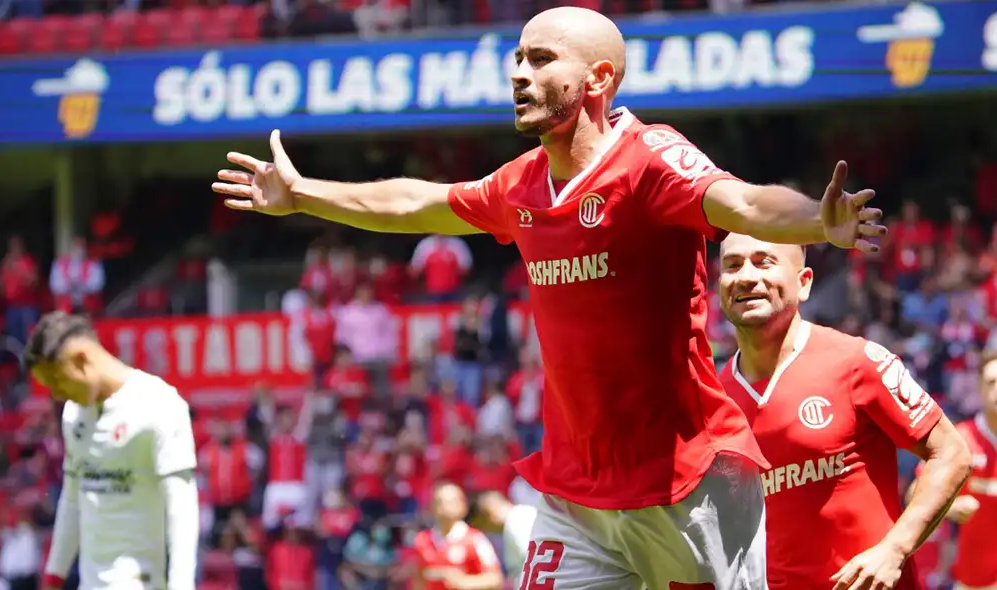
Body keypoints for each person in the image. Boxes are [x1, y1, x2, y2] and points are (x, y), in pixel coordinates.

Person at [211, 6, 887, 587]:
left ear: (598, 78)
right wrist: (302, 194)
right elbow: (417, 202)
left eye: (540, 59)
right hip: (576, 492)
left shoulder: (650, 160)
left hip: (687, 485)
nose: (519, 74)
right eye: (516, 59)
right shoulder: (521, 183)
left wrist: (816, 222)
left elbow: (739, 199)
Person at [715, 233, 972, 590]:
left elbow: (952, 453)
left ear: (804, 283)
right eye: (732, 264)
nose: (745, 276)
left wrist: (894, 550)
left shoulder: (857, 361)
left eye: (764, 262)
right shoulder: (714, 398)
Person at [23, 311, 199, 590]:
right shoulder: (74, 414)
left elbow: (182, 510)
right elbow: (72, 497)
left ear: (81, 359)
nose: (57, 394)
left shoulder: (160, 405)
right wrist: (54, 576)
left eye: (58, 381)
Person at [909, 350, 997, 590]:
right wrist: (950, 506)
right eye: (991, 382)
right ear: (979, 387)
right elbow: (914, 492)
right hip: (973, 581)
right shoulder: (961, 439)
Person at [411, 482, 503, 590]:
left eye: (450, 502)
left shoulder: (475, 539)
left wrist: (464, 582)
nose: (444, 506)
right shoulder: (422, 540)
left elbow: (495, 579)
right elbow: (418, 578)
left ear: (463, 507)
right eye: (439, 502)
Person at [470, 491, 537, 587]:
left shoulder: (516, 522)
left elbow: (534, 562)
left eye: (482, 525)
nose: (486, 530)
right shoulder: (522, 514)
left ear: (488, 513)